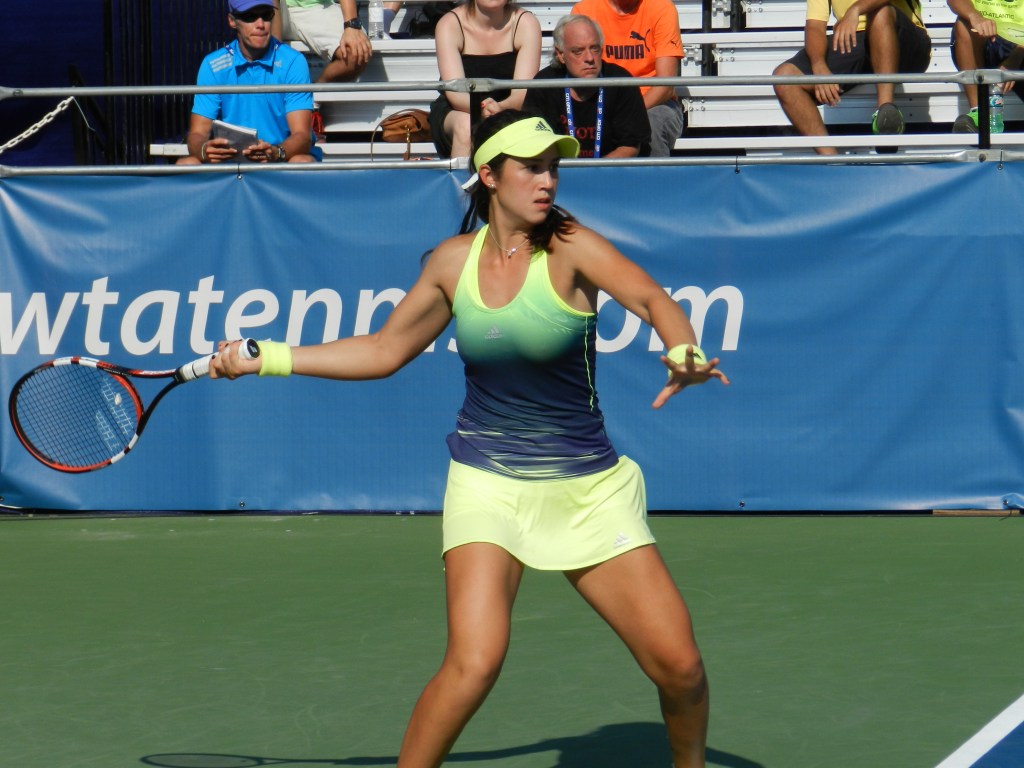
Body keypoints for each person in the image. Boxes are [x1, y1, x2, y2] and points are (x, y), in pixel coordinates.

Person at [211, 110, 729, 768]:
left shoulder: (574, 247)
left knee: (681, 668)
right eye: (532, 167)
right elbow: (382, 349)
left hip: (589, 490)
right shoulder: (452, 265)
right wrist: (268, 356)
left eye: (554, 167)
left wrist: (683, 348)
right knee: (474, 662)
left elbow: (656, 300)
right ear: (489, 174)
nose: (548, 180)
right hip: (488, 484)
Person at [772, 0, 931, 154]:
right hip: (854, 38)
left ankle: (886, 118)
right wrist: (819, 65)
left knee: (880, 11)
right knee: (785, 78)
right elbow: (815, 26)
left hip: (903, 37)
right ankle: (833, 163)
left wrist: (855, 10)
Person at [179, 0, 320, 165]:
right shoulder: (213, 65)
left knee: (301, 161)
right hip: (231, 163)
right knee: (186, 164)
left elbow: (302, 135)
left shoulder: (293, 61)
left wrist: (276, 152)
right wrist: (204, 150)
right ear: (232, 21)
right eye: (250, 17)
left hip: (280, 158)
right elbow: (197, 134)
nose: (260, 24)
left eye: (266, 15)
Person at [524, 14, 652, 157]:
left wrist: (594, 174)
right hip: (559, 174)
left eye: (595, 49)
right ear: (561, 54)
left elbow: (630, 146)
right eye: (578, 51)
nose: (589, 58)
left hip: (610, 173)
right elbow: (536, 145)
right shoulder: (544, 85)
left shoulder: (620, 82)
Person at [428, 0, 542, 158]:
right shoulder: (449, 24)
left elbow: (522, 92)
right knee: (465, 126)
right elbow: (456, 93)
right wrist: (481, 110)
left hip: (509, 107)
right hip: (458, 108)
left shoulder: (526, 23)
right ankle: (462, 182)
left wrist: (500, 108)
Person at [570, 0, 685, 157]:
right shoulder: (586, 9)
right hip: (602, 102)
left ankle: (655, 180)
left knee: (649, 125)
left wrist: (627, 114)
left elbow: (665, 86)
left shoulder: (661, 8)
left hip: (656, 104)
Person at [947, 0, 1024, 132]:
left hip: (1020, 46)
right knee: (964, 24)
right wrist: (975, 16)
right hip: (983, 38)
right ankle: (979, 113)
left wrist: (1016, 57)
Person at [271, 0, 372, 83]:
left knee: (354, 52)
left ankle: (314, 94)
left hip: (313, 7)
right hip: (269, 7)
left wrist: (351, 25)